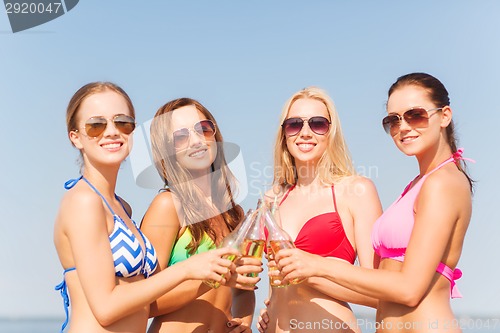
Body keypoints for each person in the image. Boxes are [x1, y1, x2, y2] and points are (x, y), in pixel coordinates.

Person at [275, 73, 473, 333]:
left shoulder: (443, 183)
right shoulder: (418, 185)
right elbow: (381, 281)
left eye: (415, 115)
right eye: (393, 120)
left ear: (444, 116)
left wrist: (315, 267)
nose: (403, 127)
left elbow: (409, 289)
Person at [53, 82, 239, 333]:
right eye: (96, 125)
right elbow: (106, 308)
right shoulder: (84, 201)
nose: (111, 132)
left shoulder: (121, 208)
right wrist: (190, 270)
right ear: (75, 137)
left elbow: (139, 293)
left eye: (123, 122)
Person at [257, 87, 382, 333]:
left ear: (331, 131)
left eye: (317, 124)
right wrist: (271, 309)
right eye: (294, 124)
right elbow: (276, 283)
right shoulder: (271, 199)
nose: (305, 133)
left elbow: (381, 294)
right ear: (284, 134)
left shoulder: (356, 190)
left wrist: (309, 275)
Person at [140, 97, 262, 333]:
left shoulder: (233, 213)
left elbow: (243, 292)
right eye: (181, 137)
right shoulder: (168, 205)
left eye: (203, 129)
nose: (196, 141)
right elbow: (144, 302)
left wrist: (244, 322)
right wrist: (213, 279)